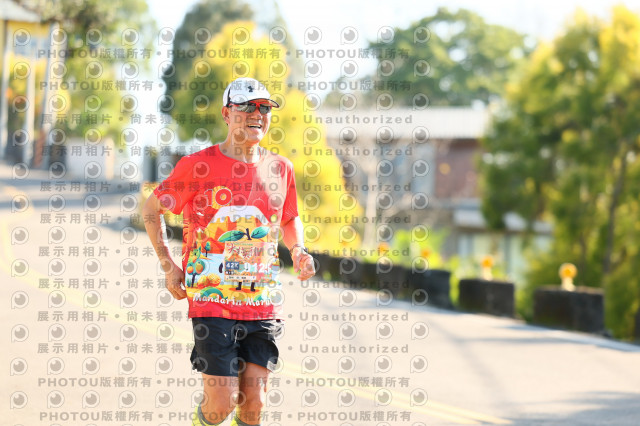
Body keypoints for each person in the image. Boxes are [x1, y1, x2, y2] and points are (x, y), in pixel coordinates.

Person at [143, 77, 315, 426]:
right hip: (211, 299)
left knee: (254, 406)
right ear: (226, 114)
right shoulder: (198, 165)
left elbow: (289, 218)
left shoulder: (281, 168)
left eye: (263, 107)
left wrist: (298, 250)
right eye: (246, 106)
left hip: (261, 300)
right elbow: (152, 208)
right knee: (221, 403)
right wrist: (168, 264)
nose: (257, 114)